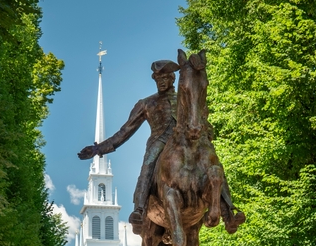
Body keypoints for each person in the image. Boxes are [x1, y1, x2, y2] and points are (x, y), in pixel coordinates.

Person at [78, 60, 243, 235]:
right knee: (148, 163)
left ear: (173, 78)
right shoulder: (146, 103)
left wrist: (207, 130)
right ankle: (139, 209)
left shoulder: (185, 97)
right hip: (160, 141)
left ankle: (228, 212)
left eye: (165, 77)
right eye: (158, 78)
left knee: (212, 160)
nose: (162, 81)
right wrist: (98, 149)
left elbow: (201, 118)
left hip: (187, 142)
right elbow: (125, 131)